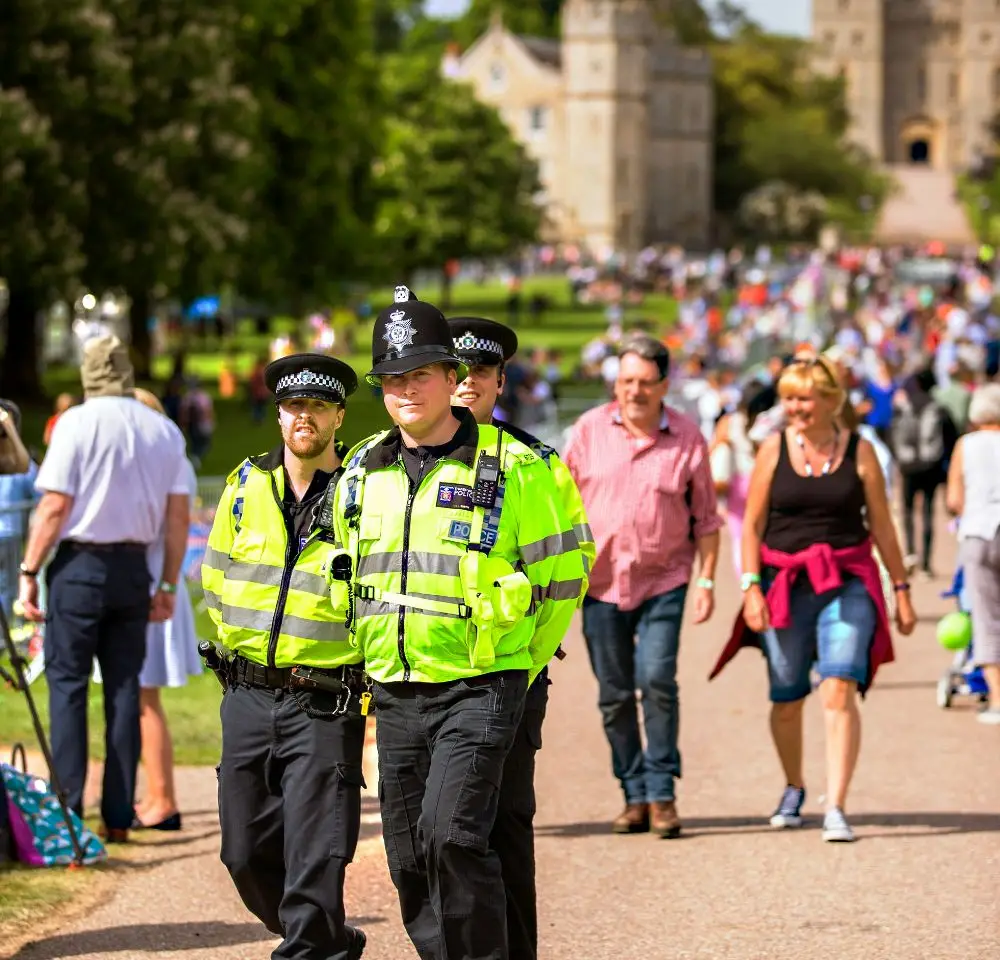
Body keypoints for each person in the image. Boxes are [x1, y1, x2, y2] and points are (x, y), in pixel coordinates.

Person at [333, 286, 584, 960]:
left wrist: (521, 661)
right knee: (411, 857)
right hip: (395, 686)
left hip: (483, 684)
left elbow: (564, 577)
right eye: (392, 379)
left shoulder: (520, 468)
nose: (405, 390)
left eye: (420, 375)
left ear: (453, 379)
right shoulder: (361, 469)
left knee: (455, 836)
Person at [200, 353, 368, 960]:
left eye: (319, 406)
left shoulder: (363, 493)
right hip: (245, 694)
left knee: (315, 852)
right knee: (242, 853)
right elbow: (215, 576)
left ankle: (308, 944)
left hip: (325, 700)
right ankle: (324, 937)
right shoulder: (245, 487)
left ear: (338, 416)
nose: (306, 416)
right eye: (295, 405)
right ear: (278, 414)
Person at [710, 354, 915, 843]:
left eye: (802, 398)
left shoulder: (860, 450)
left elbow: (882, 526)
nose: (794, 408)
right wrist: (751, 587)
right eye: (787, 399)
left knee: (839, 685)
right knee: (786, 697)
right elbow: (752, 526)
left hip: (847, 579)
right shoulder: (771, 450)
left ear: (828, 399)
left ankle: (837, 805)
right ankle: (793, 785)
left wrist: (901, 588)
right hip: (784, 583)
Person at [448, 314, 594, 960]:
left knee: (502, 825)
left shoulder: (534, 464)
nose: (465, 382)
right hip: (420, 679)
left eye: (479, 371)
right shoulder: (390, 461)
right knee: (434, 834)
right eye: (453, 370)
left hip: (511, 677)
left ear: (501, 382)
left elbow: (566, 577)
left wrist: (523, 666)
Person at [17, 336, 189, 842]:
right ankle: (118, 815)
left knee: (68, 687)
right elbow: (178, 517)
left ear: (89, 376)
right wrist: (168, 583)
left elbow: (53, 508)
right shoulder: (163, 428)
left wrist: (29, 571)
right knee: (123, 690)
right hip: (135, 567)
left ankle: (67, 812)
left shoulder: (75, 423)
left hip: (81, 565)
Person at [563, 333, 723, 839]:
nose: (633, 391)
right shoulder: (588, 432)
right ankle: (633, 794)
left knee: (656, 681)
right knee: (613, 694)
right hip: (601, 585)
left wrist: (708, 582)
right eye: (625, 381)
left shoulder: (688, 438)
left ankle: (662, 794)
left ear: (663, 385)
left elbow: (708, 521)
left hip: (664, 581)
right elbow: (559, 508)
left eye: (644, 382)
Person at [131, 388, 202, 830]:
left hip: (154, 580)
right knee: (138, 696)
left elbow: (172, 522)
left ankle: (161, 798)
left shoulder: (161, 463)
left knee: (143, 696)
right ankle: (153, 794)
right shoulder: (172, 460)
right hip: (156, 579)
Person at [945, 382, 1000, 724]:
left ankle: (997, 697)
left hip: (979, 533)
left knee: (985, 616)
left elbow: (954, 500)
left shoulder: (966, 445)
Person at [891, 366, 958, 578]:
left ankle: (910, 554)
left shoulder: (903, 407)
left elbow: (891, 434)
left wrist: (899, 461)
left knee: (908, 510)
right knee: (928, 511)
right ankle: (926, 564)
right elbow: (951, 439)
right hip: (931, 466)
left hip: (908, 466)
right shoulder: (939, 409)